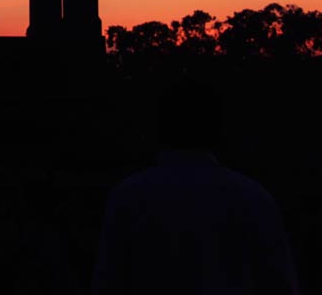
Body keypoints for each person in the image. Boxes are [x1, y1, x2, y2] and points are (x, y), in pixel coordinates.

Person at [91, 75, 300, 295]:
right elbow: (280, 283)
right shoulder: (255, 198)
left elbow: (107, 282)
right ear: (217, 128)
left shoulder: (127, 198)